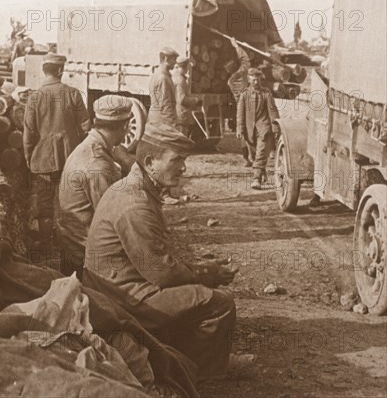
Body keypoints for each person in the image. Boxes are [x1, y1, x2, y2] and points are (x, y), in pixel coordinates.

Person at [84, 123, 249, 381]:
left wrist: (199, 267)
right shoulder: (134, 204)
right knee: (219, 303)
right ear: (150, 162)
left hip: (119, 287)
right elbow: (163, 275)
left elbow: (156, 256)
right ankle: (197, 373)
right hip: (122, 298)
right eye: (176, 160)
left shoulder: (137, 189)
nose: (183, 168)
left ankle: (181, 355)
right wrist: (208, 273)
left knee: (194, 293)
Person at [58, 94, 132, 278]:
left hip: (74, 240)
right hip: (85, 252)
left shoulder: (90, 146)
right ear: (125, 126)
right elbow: (113, 217)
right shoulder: (97, 164)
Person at [23, 52, 91, 248]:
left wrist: (29, 156)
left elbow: (29, 133)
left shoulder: (34, 97)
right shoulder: (73, 94)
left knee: (44, 204)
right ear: (61, 70)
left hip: (43, 159)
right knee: (70, 202)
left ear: (44, 71)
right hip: (71, 158)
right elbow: (86, 126)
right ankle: (69, 244)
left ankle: (46, 242)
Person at [236, 68, 280, 190]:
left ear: (260, 79)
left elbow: (273, 111)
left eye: (257, 79)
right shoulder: (244, 95)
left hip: (264, 129)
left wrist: (275, 127)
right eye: (253, 79)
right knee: (254, 156)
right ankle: (261, 171)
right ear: (249, 79)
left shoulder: (266, 93)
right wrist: (240, 128)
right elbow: (240, 113)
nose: (256, 82)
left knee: (261, 153)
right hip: (249, 131)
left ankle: (256, 179)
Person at [226, 37, 252, 166]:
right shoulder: (242, 73)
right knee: (251, 131)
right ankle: (253, 156)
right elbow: (245, 60)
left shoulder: (230, 81)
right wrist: (236, 46)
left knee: (242, 133)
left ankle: (246, 158)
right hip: (248, 106)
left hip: (239, 108)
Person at [148, 46, 179, 127]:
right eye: (174, 59)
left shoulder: (156, 74)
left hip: (155, 120)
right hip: (163, 123)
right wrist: (172, 126)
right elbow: (165, 105)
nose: (176, 62)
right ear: (166, 59)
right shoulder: (163, 78)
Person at [172, 55, 200, 137]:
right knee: (180, 140)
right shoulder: (181, 80)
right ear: (184, 67)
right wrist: (195, 100)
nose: (187, 69)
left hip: (176, 114)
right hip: (181, 115)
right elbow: (182, 99)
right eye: (186, 67)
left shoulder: (174, 77)